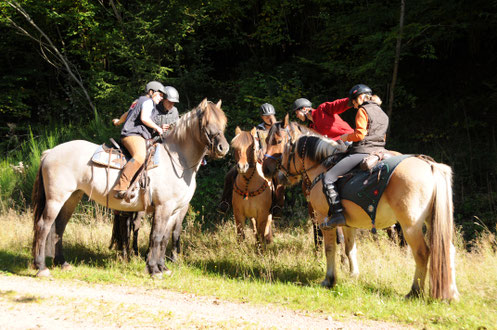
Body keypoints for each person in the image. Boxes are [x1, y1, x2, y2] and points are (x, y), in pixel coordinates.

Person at [320, 84, 389, 230]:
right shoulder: (382, 113)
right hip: (380, 151)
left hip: (362, 151)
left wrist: (345, 137)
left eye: (354, 101)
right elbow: (383, 136)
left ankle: (338, 214)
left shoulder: (363, 110)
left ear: (360, 97)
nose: (354, 105)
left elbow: (360, 135)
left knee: (329, 178)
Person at [217, 103, 283, 218]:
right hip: (257, 160)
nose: (269, 118)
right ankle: (225, 202)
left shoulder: (279, 129)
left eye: (270, 115)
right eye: (266, 116)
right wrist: (259, 152)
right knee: (230, 175)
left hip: (273, 160)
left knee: (279, 179)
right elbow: (252, 145)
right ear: (262, 117)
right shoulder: (257, 130)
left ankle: (277, 205)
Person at [112, 82, 166, 199]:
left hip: (133, 134)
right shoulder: (148, 102)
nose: (161, 99)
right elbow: (144, 118)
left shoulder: (137, 101)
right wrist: (157, 128)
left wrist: (118, 121)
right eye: (160, 95)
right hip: (133, 135)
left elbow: (127, 114)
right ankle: (121, 187)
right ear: (151, 92)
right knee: (140, 156)